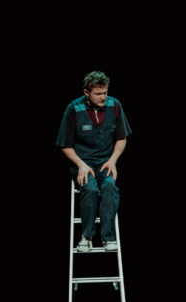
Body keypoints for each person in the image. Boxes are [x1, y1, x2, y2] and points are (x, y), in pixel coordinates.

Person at [56, 71, 132, 252]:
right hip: (83, 163)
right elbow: (65, 144)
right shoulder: (74, 109)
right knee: (89, 189)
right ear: (86, 93)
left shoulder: (114, 105)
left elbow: (122, 138)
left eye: (105, 92)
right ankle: (87, 237)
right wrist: (80, 164)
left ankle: (108, 238)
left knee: (109, 188)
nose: (103, 97)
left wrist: (113, 161)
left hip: (105, 162)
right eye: (98, 94)